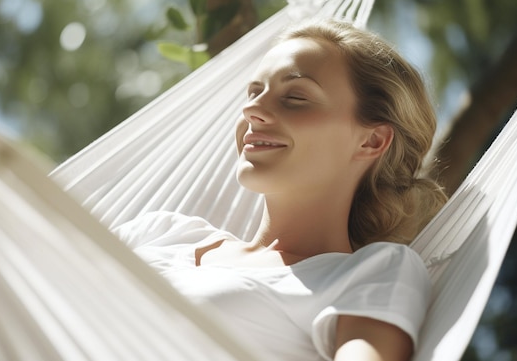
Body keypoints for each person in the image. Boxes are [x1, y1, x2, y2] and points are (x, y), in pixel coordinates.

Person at [114, 19, 448, 361]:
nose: (251, 109)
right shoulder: (163, 231)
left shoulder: (368, 273)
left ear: (371, 140)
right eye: (254, 92)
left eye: (295, 97)